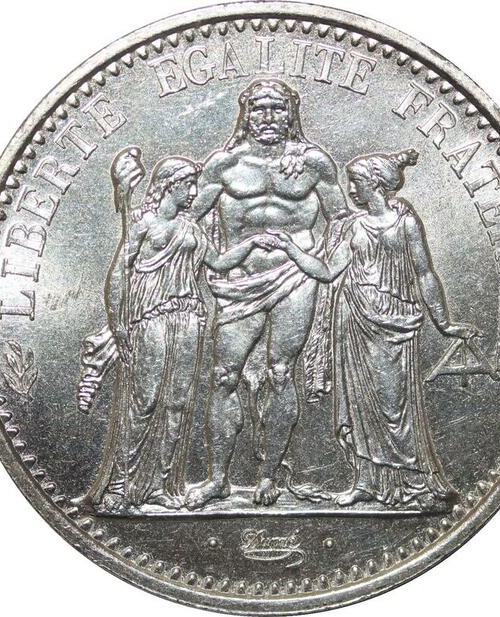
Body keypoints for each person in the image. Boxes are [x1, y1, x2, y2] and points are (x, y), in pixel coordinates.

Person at [267, 149, 474, 509]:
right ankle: (366, 481)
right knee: (358, 405)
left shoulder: (405, 223)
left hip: (395, 323)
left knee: (396, 407)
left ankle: (414, 481)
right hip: (354, 320)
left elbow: (425, 274)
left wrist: (444, 322)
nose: (350, 189)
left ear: (376, 183)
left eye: (356, 182)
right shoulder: (353, 226)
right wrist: (291, 249)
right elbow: (327, 271)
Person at [77, 151, 275, 513]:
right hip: (150, 317)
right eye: (189, 185)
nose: (194, 192)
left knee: (178, 403)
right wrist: (118, 323)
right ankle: (121, 485)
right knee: (145, 400)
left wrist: (251, 244)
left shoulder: (191, 229)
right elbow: (120, 273)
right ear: (170, 185)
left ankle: (160, 485)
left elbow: (218, 262)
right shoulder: (143, 224)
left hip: (187, 317)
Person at [185, 79, 347, 509]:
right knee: (225, 375)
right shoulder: (224, 164)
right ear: (246, 114)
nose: (269, 117)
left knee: (280, 371)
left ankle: (269, 476)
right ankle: (218, 479)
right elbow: (189, 219)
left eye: (277, 108)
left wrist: (322, 264)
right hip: (239, 279)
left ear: (291, 114)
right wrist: (214, 259)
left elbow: (342, 221)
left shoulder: (314, 163)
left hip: (295, 275)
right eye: (259, 109)